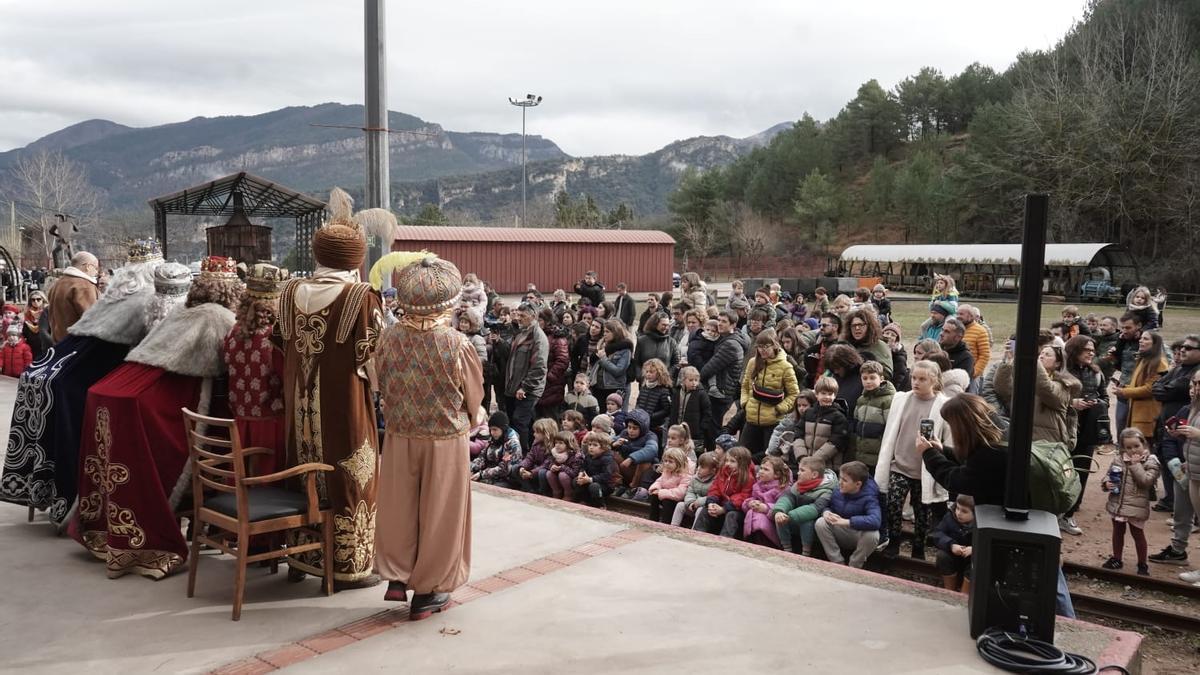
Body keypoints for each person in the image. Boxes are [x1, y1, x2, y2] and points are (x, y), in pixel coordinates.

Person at [74, 255, 241, 579]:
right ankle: (146, 542)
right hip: (165, 402)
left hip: (119, 390)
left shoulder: (182, 310)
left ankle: (105, 530)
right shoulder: (221, 318)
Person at [0, 241, 162, 526]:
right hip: (83, 357)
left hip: (64, 349)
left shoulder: (59, 283)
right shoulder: (84, 288)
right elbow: (94, 322)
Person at [279, 188, 384, 590]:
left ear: (318, 254)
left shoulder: (288, 292)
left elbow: (280, 346)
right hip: (346, 414)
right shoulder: (361, 297)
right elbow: (373, 361)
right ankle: (349, 565)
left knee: (301, 474)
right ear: (356, 259)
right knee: (353, 477)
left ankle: (303, 556)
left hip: (298, 412)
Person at [875, 361, 952, 559]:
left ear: (933, 380)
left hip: (924, 469)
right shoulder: (901, 399)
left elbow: (948, 438)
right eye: (914, 378)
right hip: (899, 465)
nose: (916, 383)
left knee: (922, 511)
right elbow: (892, 431)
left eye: (922, 379)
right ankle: (893, 542)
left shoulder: (943, 405)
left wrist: (939, 450)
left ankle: (919, 548)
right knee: (893, 504)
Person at [222, 263, 288, 474]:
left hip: (240, 423)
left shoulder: (234, 332)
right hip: (271, 426)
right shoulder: (276, 337)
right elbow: (286, 376)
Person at [1060, 335, 1110, 536]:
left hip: (1087, 430)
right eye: (1086, 349)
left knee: (1081, 471)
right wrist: (1073, 404)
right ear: (1074, 350)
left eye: (1093, 350)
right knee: (1060, 472)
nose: (1091, 353)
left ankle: (1068, 515)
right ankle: (1054, 512)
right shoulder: (1061, 372)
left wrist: (1096, 403)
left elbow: (1105, 397)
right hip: (1063, 430)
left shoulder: (1096, 373)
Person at [1150, 370, 1200, 569]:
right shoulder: (1191, 409)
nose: (1195, 388)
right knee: (1181, 513)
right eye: (1194, 384)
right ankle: (1177, 551)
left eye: (1198, 384)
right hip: (1190, 469)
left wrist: (1197, 434)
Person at [995, 343, 1081, 448]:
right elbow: (1003, 389)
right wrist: (1007, 361)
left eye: (1048, 354)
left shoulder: (1064, 385)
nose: (1041, 356)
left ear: (1057, 364)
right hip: (1021, 437)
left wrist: (1032, 359)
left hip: (1047, 444)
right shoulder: (1027, 380)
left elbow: (1045, 387)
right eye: (1041, 353)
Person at [1101, 428, 1162, 576]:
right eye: (1128, 447)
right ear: (1123, 448)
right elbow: (1108, 475)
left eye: (1136, 446)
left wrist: (1135, 465)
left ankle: (1142, 563)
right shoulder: (1118, 459)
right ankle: (1117, 558)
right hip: (1118, 504)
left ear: (1144, 445)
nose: (1133, 450)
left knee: (1137, 534)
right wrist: (1106, 483)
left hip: (1136, 507)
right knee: (1117, 532)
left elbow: (1146, 481)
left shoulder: (1150, 461)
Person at [1151, 334, 1200, 513]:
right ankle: (1171, 499)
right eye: (1182, 347)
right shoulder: (1178, 368)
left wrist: (1166, 388)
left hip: (1187, 426)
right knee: (1167, 458)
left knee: (1183, 461)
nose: (1183, 350)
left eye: (1189, 348)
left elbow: (1173, 389)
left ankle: (1188, 509)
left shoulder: (1196, 372)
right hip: (1168, 423)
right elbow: (1157, 388)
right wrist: (1165, 388)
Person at [739, 331, 800, 461]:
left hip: (773, 422)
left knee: (768, 459)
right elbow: (745, 386)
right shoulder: (752, 363)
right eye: (760, 347)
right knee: (742, 456)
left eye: (766, 346)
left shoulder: (786, 366)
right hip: (751, 419)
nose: (763, 350)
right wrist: (745, 403)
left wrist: (779, 409)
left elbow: (794, 394)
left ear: (775, 345)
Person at [814, 461, 882, 568]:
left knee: (873, 535)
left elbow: (875, 521)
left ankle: (854, 565)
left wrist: (847, 522)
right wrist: (826, 512)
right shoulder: (838, 490)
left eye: (844, 480)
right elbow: (829, 505)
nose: (840, 482)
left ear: (858, 484)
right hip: (840, 531)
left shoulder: (869, 497)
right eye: (840, 478)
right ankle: (837, 563)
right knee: (821, 523)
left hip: (857, 535)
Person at [772, 455, 836, 555]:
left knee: (806, 521)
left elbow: (816, 508)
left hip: (814, 526)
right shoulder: (799, 484)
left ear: (814, 474)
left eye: (802, 470)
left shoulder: (826, 490)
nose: (798, 473)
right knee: (780, 517)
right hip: (793, 517)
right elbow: (788, 497)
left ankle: (806, 552)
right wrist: (779, 510)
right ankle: (786, 549)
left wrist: (791, 515)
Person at [786, 376, 850, 472]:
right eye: (823, 393)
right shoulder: (808, 413)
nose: (827, 397)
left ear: (835, 395)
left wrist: (814, 461)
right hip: (804, 463)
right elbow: (798, 434)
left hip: (827, 467)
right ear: (816, 394)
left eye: (830, 394)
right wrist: (802, 456)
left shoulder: (839, 417)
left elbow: (836, 442)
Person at [700, 310, 745, 441]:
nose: (719, 324)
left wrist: (697, 378)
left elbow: (709, 369)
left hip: (721, 391)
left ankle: (717, 456)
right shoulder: (727, 339)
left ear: (733, 325)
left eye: (724, 321)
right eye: (719, 320)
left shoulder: (730, 345)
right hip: (722, 390)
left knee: (714, 429)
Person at [691, 446, 755, 538]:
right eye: (727, 460)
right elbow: (715, 488)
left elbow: (743, 497)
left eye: (732, 461)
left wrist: (724, 508)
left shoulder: (748, 478)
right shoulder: (723, 471)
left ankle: (725, 539)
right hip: (721, 506)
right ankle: (697, 535)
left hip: (736, 510)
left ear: (742, 463)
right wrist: (711, 503)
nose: (728, 464)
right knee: (706, 510)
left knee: (732, 515)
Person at [1117, 330, 1169, 440]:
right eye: (1141, 338)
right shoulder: (1143, 360)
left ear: (1155, 343)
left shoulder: (1160, 363)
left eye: (1145, 339)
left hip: (1147, 419)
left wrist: (1124, 392)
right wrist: (1124, 387)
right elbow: (1138, 385)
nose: (1141, 341)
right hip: (1138, 417)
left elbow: (1150, 389)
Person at [852, 360, 896, 475]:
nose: (868, 381)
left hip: (879, 453)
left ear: (881, 379)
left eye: (872, 378)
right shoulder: (861, 399)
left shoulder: (888, 400)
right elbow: (856, 422)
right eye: (865, 378)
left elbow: (891, 427)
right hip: (862, 452)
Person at [47, 250, 100, 342]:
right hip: (79, 345)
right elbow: (92, 319)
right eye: (96, 268)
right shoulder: (84, 286)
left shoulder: (58, 284)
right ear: (88, 266)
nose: (97, 272)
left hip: (60, 343)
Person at [742, 456, 791, 547]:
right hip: (752, 523)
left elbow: (783, 507)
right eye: (761, 468)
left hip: (769, 526)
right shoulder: (757, 485)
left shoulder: (782, 489)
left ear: (777, 474)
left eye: (766, 469)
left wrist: (766, 508)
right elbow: (751, 498)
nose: (761, 471)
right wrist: (750, 503)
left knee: (760, 520)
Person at [612, 408, 660, 500]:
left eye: (635, 428)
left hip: (640, 472)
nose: (631, 430)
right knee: (611, 454)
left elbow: (652, 449)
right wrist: (614, 444)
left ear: (642, 428)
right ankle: (617, 485)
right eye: (629, 427)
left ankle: (633, 489)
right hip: (625, 469)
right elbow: (611, 440)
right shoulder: (624, 433)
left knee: (645, 462)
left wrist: (632, 458)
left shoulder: (650, 436)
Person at [933, 495, 976, 592]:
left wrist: (974, 549)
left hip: (970, 561)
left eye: (964, 511)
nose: (959, 513)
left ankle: (964, 594)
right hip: (954, 556)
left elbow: (989, 546)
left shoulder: (980, 525)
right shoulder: (950, 517)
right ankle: (950, 591)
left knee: (975, 564)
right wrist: (951, 544)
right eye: (957, 508)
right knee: (942, 556)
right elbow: (938, 534)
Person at [589, 319, 633, 408]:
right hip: (597, 386)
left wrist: (604, 359)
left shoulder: (624, 349)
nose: (604, 334)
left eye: (608, 331)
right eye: (604, 331)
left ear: (615, 332)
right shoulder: (602, 344)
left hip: (612, 387)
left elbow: (618, 371)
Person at [536, 310, 571, 422]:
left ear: (547, 321)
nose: (537, 322)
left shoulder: (557, 338)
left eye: (540, 320)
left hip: (551, 385)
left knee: (550, 418)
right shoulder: (538, 335)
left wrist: (548, 377)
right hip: (539, 384)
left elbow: (562, 360)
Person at [471, 412, 522, 485]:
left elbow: (505, 469)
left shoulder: (513, 444)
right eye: (490, 429)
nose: (492, 433)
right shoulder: (493, 438)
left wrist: (481, 474)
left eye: (495, 429)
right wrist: (472, 468)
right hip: (489, 473)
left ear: (503, 428)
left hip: (507, 478)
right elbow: (482, 456)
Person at [647, 446, 694, 524]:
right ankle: (653, 519)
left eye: (670, 461)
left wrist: (661, 492)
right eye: (665, 461)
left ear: (679, 463)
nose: (667, 464)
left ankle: (666, 523)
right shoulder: (667, 470)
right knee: (654, 496)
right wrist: (655, 488)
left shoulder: (686, 475)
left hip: (677, 500)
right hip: (667, 494)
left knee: (667, 501)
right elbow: (660, 481)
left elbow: (680, 493)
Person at [671, 365, 712, 451]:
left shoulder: (701, 394)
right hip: (678, 428)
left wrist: (701, 428)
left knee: (693, 453)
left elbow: (707, 412)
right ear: (683, 380)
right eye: (690, 380)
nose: (694, 383)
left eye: (696, 380)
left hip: (695, 432)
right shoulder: (677, 391)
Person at [841, 309, 891, 379]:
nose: (857, 328)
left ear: (869, 326)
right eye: (853, 325)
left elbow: (887, 373)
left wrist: (867, 367)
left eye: (861, 325)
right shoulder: (847, 346)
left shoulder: (879, 345)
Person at [574, 431, 619, 507]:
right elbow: (583, 467)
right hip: (590, 480)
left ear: (604, 448)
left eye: (595, 445)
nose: (591, 447)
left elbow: (606, 476)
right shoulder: (589, 456)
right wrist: (581, 473)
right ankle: (585, 500)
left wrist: (590, 479)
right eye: (590, 444)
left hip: (605, 485)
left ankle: (600, 505)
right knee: (576, 481)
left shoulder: (607, 459)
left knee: (594, 487)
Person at [674, 451, 719, 527]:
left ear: (713, 470)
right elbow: (690, 492)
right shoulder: (695, 478)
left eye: (702, 467)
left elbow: (713, 496)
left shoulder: (716, 481)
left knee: (700, 510)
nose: (698, 469)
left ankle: (695, 530)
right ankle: (673, 526)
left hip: (705, 507)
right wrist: (691, 502)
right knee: (680, 505)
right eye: (698, 465)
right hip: (693, 504)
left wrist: (699, 502)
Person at [634, 313, 679, 380]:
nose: (666, 328)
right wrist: (641, 376)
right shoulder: (642, 341)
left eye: (667, 325)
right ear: (655, 324)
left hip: (664, 384)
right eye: (663, 325)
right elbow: (636, 362)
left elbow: (675, 363)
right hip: (645, 383)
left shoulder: (671, 342)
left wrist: (667, 376)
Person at [542, 431, 583, 501]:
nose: (557, 445)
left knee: (562, 475)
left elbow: (574, 473)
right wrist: (552, 466)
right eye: (556, 443)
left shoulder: (576, 455)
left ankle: (569, 494)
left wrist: (562, 467)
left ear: (569, 444)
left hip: (570, 478)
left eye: (560, 443)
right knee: (549, 473)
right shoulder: (554, 452)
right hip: (559, 476)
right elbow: (546, 463)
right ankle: (557, 492)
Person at [956, 304, 990, 384]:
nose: (958, 316)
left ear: (971, 316)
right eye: (957, 314)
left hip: (972, 377)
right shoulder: (956, 329)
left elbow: (985, 355)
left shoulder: (980, 331)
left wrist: (973, 373)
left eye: (961, 314)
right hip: (956, 373)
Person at [938, 317, 976, 386]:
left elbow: (961, 383)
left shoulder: (966, 358)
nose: (941, 334)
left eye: (947, 331)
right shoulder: (936, 351)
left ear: (958, 337)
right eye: (942, 330)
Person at [20, 290, 53, 362]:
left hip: (46, 346)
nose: (36, 301)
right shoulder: (27, 313)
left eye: (38, 299)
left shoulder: (49, 312)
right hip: (31, 347)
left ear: (43, 300)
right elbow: (24, 331)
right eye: (33, 300)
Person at [882, 322, 910, 392]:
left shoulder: (899, 356)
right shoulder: (877, 349)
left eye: (893, 335)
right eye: (887, 333)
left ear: (897, 340)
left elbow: (899, 378)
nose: (889, 336)